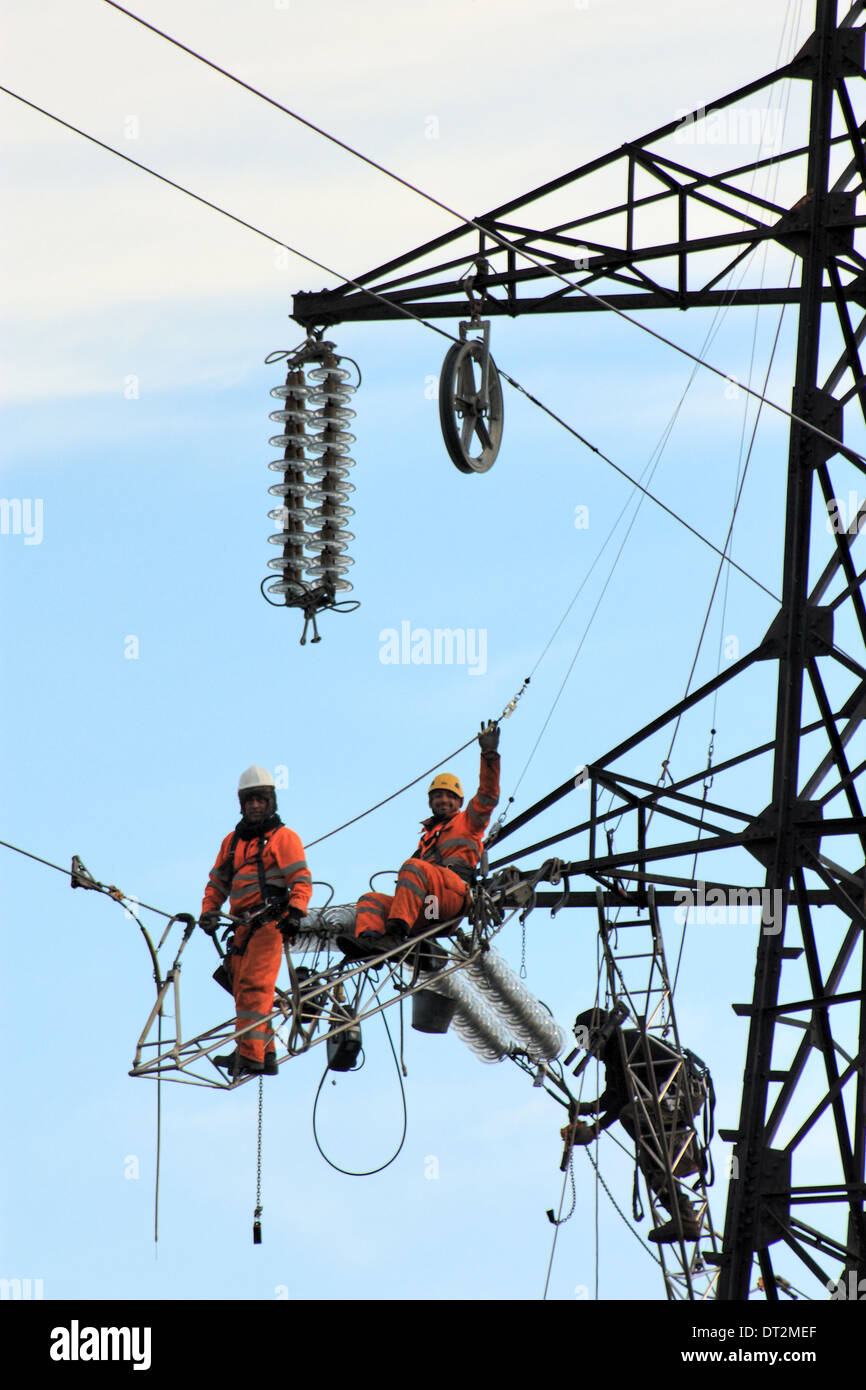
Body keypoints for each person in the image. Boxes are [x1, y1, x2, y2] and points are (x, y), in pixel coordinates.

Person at [199, 766, 312, 1078]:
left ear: (271, 802)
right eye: (250, 801)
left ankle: (249, 1054)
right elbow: (217, 883)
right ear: (242, 804)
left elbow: (301, 881)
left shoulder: (284, 838)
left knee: (254, 987)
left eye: (261, 800)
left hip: (269, 924)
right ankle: (266, 1051)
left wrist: (295, 913)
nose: (255, 806)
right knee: (242, 988)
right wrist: (209, 911)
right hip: (241, 929)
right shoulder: (232, 843)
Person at [351, 721, 500, 955]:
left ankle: (394, 937)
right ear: (430, 803)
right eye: (437, 796)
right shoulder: (427, 839)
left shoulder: (468, 821)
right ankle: (370, 946)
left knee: (413, 868)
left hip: (451, 898)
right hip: (428, 908)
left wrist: (489, 755)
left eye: (449, 796)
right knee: (370, 900)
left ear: (460, 802)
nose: (443, 800)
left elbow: (488, 795)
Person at [561, 1007, 707, 1243]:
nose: (588, 1050)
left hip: (679, 1093)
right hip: (672, 1096)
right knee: (647, 1159)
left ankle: (666, 1164)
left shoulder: (625, 1046)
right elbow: (614, 1094)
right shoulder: (616, 1053)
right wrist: (586, 1108)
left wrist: (594, 1129)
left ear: (597, 1035)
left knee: (633, 1116)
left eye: (586, 1042)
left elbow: (623, 1100)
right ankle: (684, 1217)